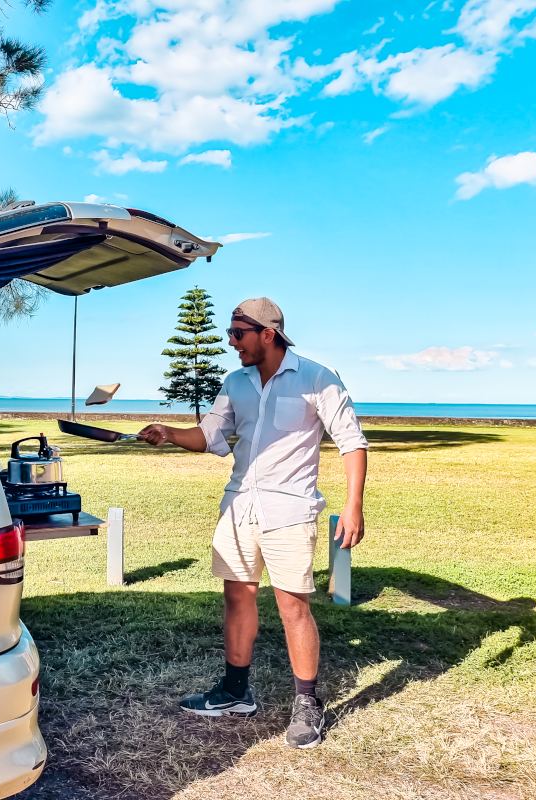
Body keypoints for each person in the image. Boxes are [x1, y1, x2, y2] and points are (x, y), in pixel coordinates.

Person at [139, 297, 368, 749]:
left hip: (291, 511)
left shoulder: (317, 378)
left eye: (238, 334)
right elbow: (208, 436)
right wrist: (167, 433)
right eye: (228, 333)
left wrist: (354, 505)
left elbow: (351, 443)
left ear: (268, 333)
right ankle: (234, 692)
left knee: (293, 608)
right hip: (239, 506)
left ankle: (306, 704)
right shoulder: (235, 383)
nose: (231, 342)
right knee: (237, 598)